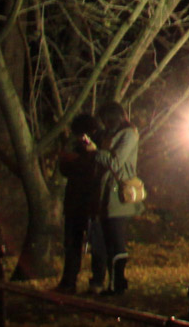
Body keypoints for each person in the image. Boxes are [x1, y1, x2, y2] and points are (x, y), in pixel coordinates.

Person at [93, 101, 144, 294]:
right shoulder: (111, 135)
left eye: (106, 120)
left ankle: (118, 283)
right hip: (107, 191)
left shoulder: (128, 134)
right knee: (109, 239)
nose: (104, 124)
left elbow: (115, 162)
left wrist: (95, 152)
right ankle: (114, 283)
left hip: (119, 193)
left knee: (116, 238)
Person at [54, 113, 107, 293]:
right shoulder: (77, 147)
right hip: (77, 201)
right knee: (72, 244)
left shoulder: (100, 149)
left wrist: (83, 157)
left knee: (95, 244)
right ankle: (70, 281)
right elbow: (66, 169)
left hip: (92, 201)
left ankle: (95, 282)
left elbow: (97, 170)